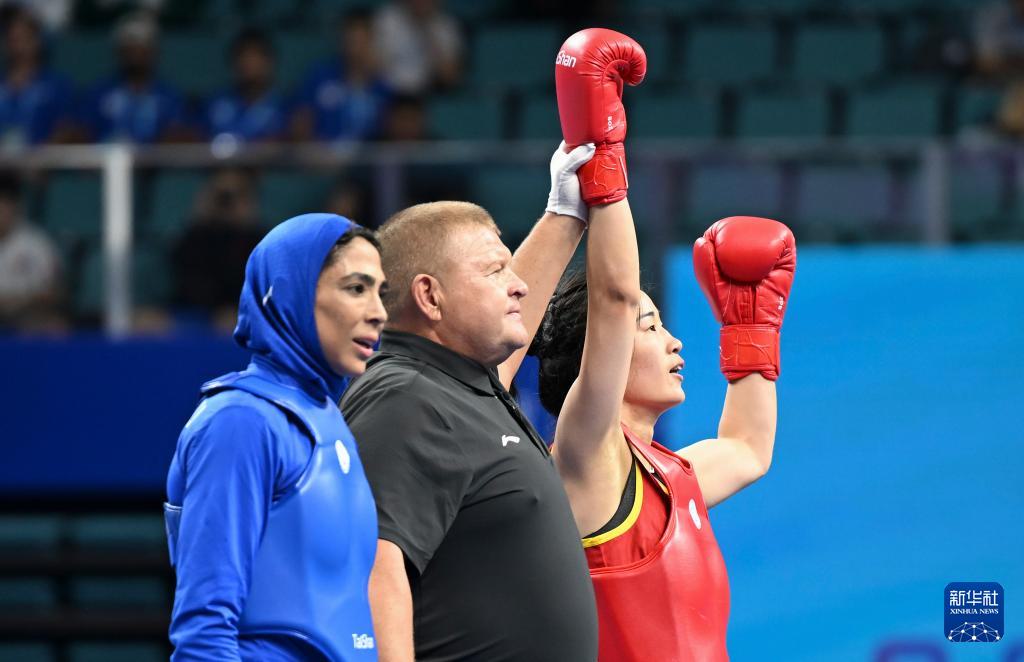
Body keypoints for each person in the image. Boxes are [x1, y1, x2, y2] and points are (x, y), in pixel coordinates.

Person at [529, 29, 797, 661]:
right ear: (607, 351)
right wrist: (602, 162)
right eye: (651, 327)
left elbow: (748, 449)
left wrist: (751, 331)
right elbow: (615, 298)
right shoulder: (585, 455)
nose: (675, 341)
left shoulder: (670, 472)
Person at [339, 140, 600, 660]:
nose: (519, 286)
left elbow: (513, 327)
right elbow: (373, 568)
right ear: (430, 296)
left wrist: (565, 214)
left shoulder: (457, 381)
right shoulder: (406, 397)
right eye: (494, 271)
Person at [165, 213, 387, 660]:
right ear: (294, 292)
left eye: (381, 292)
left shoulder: (328, 418)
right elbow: (204, 631)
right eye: (356, 288)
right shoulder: (240, 421)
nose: (378, 312)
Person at [170, 167, 265, 332]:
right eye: (222, 197)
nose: (227, 204)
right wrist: (201, 217)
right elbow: (186, 282)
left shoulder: (260, 242)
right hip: (195, 312)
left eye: (236, 195)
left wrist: (246, 225)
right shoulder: (194, 237)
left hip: (242, 312)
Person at [79, 11, 191, 143]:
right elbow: (81, 130)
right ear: (118, 51)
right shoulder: (98, 93)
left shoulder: (169, 96)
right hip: (106, 161)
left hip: (155, 162)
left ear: (154, 51)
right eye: (129, 47)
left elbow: (180, 134)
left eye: (142, 46)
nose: (135, 53)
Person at [290, 10, 392, 143]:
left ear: (371, 41)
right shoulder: (319, 76)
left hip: (367, 161)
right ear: (341, 40)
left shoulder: (383, 87)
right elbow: (299, 123)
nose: (355, 48)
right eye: (351, 40)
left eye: (361, 40)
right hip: (321, 158)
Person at [0, 5, 75, 147]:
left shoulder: (57, 85)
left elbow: (68, 129)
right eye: (12, 39)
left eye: (24, 38)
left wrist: (39, 160)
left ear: (38, 41)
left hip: (39, 164)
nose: (17, 45)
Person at [200, 28, 289, 146]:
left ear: (270, 62)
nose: (248, 63)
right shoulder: (214, 102)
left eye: (256, 56)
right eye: (242, 56)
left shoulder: (286, 106)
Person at [0, 169, 63, 332]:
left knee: (53, 327)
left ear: (14, 207)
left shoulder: (36, 243)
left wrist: (20, 300)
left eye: (2, 207)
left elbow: (52, 292)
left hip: (26, 313)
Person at [372, 0, 462, 95]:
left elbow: (449, 76)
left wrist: (427, 29)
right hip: (388, 93)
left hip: (427, 94)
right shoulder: (387, 19)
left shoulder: (446, 26)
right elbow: (371, 66)